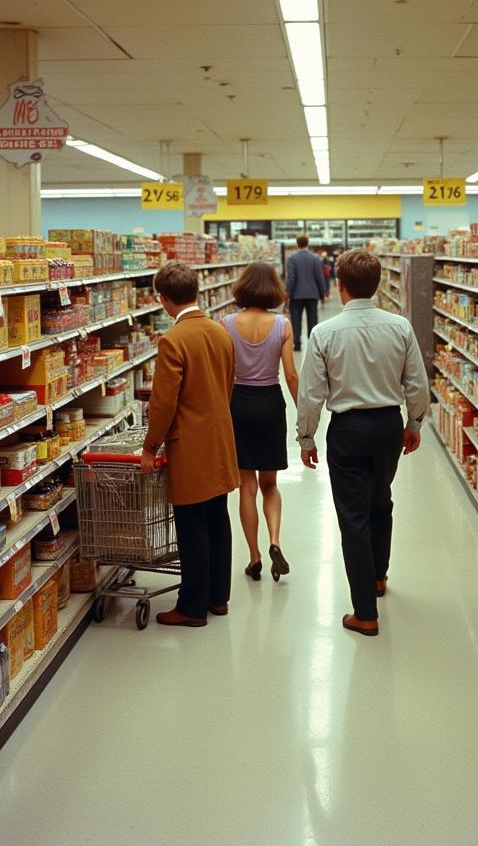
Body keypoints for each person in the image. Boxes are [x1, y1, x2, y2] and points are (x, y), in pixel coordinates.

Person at [296, 249, 430, 637]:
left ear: (340, 287)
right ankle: (378, 577)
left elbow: (311, 394)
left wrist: (306, 437)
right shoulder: (400, 327)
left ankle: (365, 613)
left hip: (348, 430)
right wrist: (414, 422)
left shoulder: (324, 333)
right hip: (389, 426)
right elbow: (417, 383)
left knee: (352, 517)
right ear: (376, 285)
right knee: (380, 501)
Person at [141, 262, 239, 628]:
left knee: (192, 523)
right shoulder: (221, 331)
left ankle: (192, 607)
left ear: (164, 299)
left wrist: (151, 447)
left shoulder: (174, 340)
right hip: (221, 438)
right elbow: (229, 383)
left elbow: (164, 402)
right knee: (218, 518)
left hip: (191, 445)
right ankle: (218, 598)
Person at [221, 262, 299, 583]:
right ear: (274, 290)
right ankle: (275, 542)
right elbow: (291, 374)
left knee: (247, 487)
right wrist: (304, 415)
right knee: (270, 485)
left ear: (242, 288)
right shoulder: (282, 325)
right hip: (270, 403)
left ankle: (253, 558)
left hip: (238, 402)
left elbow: (224, 373)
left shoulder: (225, 324)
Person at [285, 235, 327, 351]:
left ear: (297, 244)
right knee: (313, 319)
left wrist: (288, 292)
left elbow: (291, 278)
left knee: (296, 320)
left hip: (296, 295)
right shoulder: (315, 258)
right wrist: (323, 293)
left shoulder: (292, 258)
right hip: (312, 294)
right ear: (308, 243)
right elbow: (320, 277)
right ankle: (312, 344)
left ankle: (297, 344)